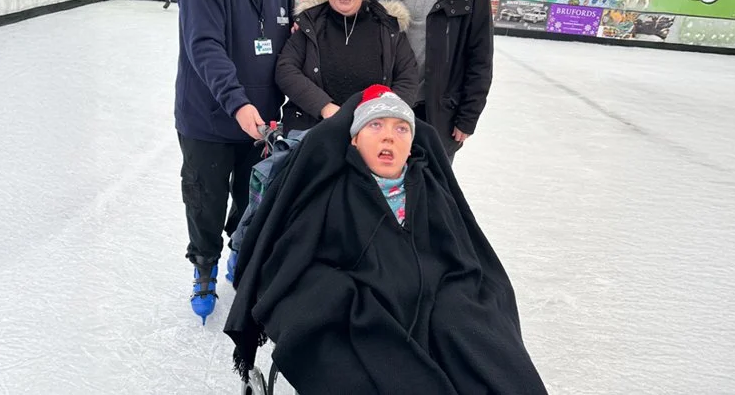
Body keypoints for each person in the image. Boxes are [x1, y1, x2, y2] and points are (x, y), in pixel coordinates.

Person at [225, 85, 547, 395]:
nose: (389, 136)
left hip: (432, 296)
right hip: (360, 302)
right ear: (354, 141)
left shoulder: (431, 190)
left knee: (477, 338)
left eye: (401, 129)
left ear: (412, 144)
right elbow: (295, 261)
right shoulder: (330, 192)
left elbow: (459, 256)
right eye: (375, 125)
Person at [174, 0, 294, 324]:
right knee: (204, 201)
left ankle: (239, 253)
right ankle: (204, 266)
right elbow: (203, 45)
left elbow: (288, 54)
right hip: (207, 120)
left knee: (252, 201)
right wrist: (238, 103)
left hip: (260, 123)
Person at [370, 0, 494, 161]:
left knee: (430, 193)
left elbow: (480, 56)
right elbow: (360, 34)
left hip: (440, 117)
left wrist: (468, 116)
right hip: (389, 109)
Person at [275, 0, 418, 135]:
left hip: (371, 135)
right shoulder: (309, 23)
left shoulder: (387, 25)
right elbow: (285, 69)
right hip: (314, 131)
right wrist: (325, 107)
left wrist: (381, 116)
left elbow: (408, 77)